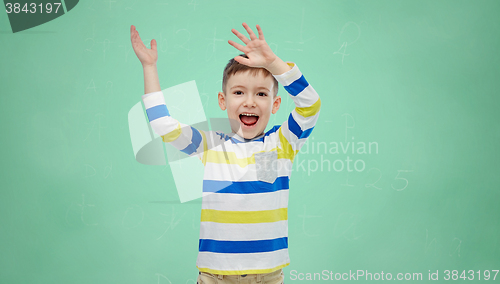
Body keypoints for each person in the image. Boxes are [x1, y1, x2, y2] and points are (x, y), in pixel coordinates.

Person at [130, 22, 321, 284]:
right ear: (223, 101)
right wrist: (149, 66)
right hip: (215, 276)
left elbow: (310, 105)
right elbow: (163, 125)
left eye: (261, 93)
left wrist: (274, 63)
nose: (250, 101)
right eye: (239, 92)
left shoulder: (282, 143)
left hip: (267, 275)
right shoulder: (210, 145)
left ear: (275, 104)